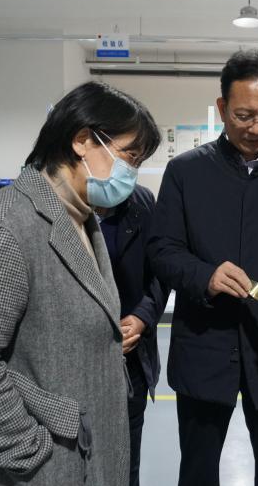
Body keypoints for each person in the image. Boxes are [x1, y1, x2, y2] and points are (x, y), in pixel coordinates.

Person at [0, 81, 160, 485]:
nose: (132, 172)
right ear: (83, 141)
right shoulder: (5, 227)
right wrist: (34, 454)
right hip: (33, 467)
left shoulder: (79, 218)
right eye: (129, 156)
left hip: (79, 451)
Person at [147, 49, 258, 486]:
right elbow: (163, 250)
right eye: (244, 115)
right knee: (197, 471)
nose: (256, 128)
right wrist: (204, 276)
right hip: (204, 349)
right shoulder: (185, 173)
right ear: (222, 107)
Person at [97, 180, 169, 486]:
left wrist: (142, 316)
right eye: (128, 156)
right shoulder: (54, 205)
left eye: (137, 160)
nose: (128, 167)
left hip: (130, 362)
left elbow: (160, 272)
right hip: (72, 365)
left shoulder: (140, 201)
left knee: (125, 465)